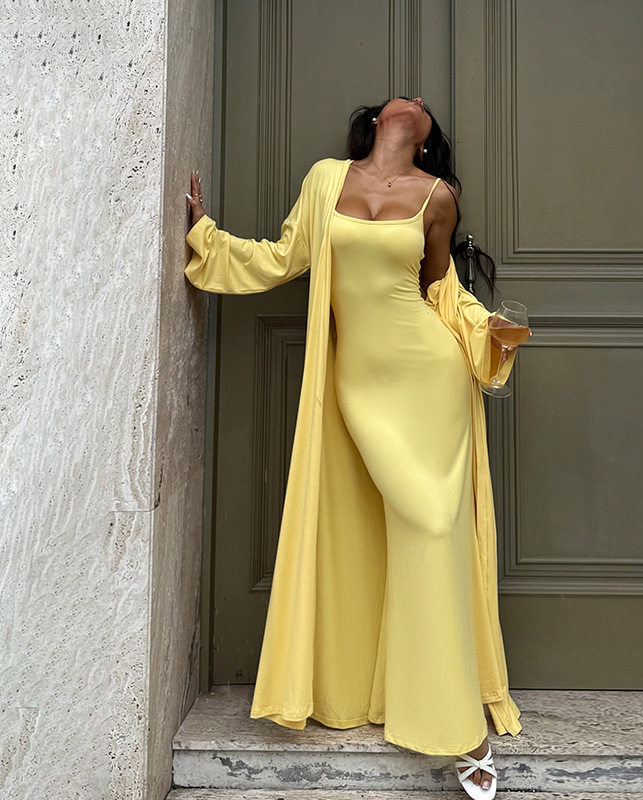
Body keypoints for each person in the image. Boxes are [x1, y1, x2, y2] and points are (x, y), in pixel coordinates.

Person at [184, 96, 530, 800]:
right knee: (374, 529)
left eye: (424, 106)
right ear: (376, 122)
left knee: (432, 528)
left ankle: (461, 728)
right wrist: (207, 239)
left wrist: (485, 330)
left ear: (425, 136)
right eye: (404, 98)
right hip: (359, 384)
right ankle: (369, 687)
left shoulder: (438, 196)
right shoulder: (325, 179)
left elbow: (439, 287)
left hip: (428, 377)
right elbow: (286, 256)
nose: (415, 100)